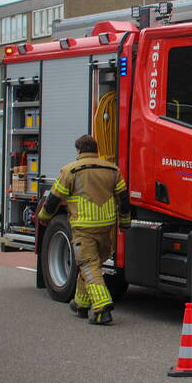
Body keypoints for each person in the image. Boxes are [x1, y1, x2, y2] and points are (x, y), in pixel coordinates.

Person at [38, 135, 130, 325]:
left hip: (83, 227)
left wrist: (43, 218)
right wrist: (124, 222)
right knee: (92, 264)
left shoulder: (71, 170)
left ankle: (102, 308)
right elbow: (124, 198)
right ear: (95, 149)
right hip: (106, 227)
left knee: (88, 265)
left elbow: (54, 199)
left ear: (79, 150)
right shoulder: (113, 169)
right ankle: (80, 303)